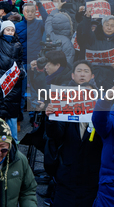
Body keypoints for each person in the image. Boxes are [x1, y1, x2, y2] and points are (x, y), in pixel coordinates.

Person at [44, 61, 103, 207]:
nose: (86, 98)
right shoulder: (66, 107)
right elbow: (56, 134)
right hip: (67, 177)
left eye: (90, 95)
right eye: (82, 95)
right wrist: (51, 118)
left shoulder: (102, 114)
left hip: (92, 178)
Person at [0, 17, 23, 140]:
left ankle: (13, 141)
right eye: (7, 29)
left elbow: (19, 61)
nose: (10, 32)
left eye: (12, 30)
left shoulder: (18, 45)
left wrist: (21, 72)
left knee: (11, 114)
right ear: (2, 31)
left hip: (12, 83)